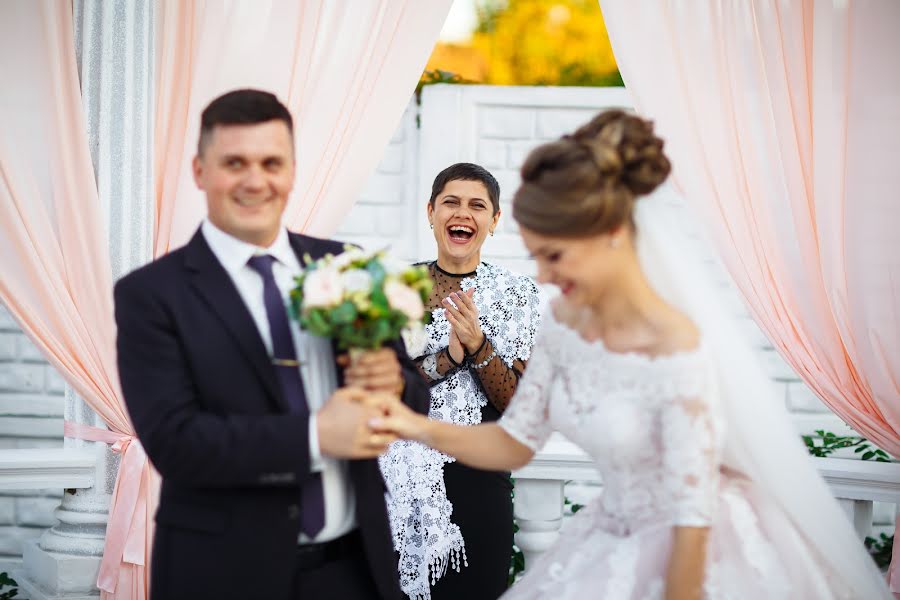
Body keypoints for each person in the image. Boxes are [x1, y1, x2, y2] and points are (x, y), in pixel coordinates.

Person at [369, 110, 891, 599]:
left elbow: (693, 519)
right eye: (536, 257)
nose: (545, 276)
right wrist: (410, 424)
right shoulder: (563, 325)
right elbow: (514, 442)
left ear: (611, 233)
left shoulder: (677, 347)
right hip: (604, 539)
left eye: (555, 256)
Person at [114, 89, 430, 600]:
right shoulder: (151, 295)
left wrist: (396, 384)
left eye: (271, 163)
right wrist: (314, 436)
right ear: (199, 171)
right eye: (234, 163)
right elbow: (176, 443)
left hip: (354, 571)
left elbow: (416, 397)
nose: (255, 181)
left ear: (291, 171)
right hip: (222, 575)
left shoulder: (343, 265)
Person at [348, 163, 541, 600]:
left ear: (493, 222)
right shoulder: (396, 289)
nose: (463, 213)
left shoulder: (518, 295)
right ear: (431, 211)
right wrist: (450, 356)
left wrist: (477, 344)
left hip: (477, 475)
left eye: (478, 206)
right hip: (392, 474)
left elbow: (517, 403)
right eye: (451, 202)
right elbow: (383, 388)